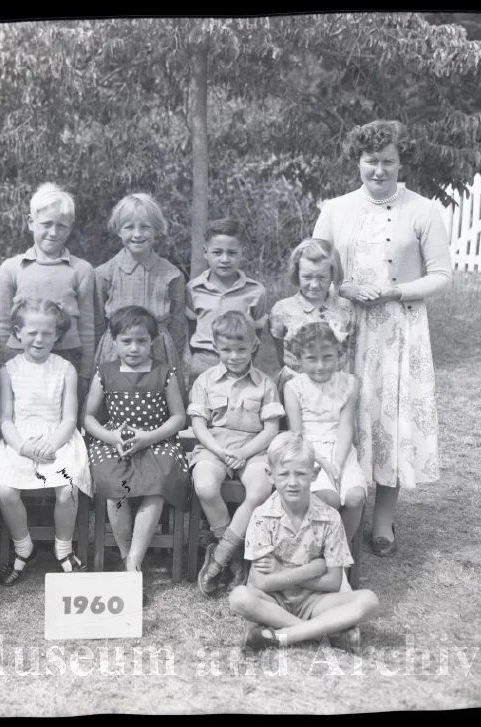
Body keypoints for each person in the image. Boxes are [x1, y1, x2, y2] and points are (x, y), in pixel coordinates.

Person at [313, 119, 451, 556]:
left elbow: (442, 275)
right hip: (345, 327)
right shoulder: (335, 209)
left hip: (399, 328)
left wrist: (395, 291)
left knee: (390, 417)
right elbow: (314, 267)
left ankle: (384, 522)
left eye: (387, 161)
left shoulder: (423, 210)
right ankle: (337, 505)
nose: (378, 170)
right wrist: (343, 287)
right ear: (358, 161)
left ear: (399, 161)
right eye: (371, 161)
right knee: (342, 413)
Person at [229, 432, 379, 652]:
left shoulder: (329, 517)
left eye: (301, 474)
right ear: (270, 475)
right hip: (273, 601)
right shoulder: (262, 517)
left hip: (316, 601)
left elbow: (333, 582)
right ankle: (326, 631)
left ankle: (281, 636)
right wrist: (312, 569)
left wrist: (281, 570)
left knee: (369, 600)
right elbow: (262, 583)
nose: (292, 483)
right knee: (239, 598)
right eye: (284, 475)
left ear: (315, 473)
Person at [84, 306, 190, 575]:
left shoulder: (165, 372)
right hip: (115, 441)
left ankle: (134, 560)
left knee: (157, 486)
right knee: (115, 488)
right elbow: (88, 418)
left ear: (153, 341)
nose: (134, 348)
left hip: (156, 439)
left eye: (141, 341)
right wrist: (110, 436)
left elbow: (178, 417)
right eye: (126, 341)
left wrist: (149, 437)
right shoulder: (104, 373)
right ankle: (123, 552)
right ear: (114, 340)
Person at [0, 298, 93, 583]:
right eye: (32, 332)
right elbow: (5, 419)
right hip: (20, 441)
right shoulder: (8, 370)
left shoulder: (65, 369)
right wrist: (23, 446)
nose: (39, 339)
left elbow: (69, 418)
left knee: (68, 487)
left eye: (47, 334)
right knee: (6, 489)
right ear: (18, 333)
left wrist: (52, 443)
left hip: (58, 439)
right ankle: (24, 547)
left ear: (57, 335)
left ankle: (63, 548)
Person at [189, 311, 285, 596]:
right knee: (205, 486)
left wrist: (244, 452)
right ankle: (234, 561)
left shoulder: (265, 384)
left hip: (253, 449)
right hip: (213, 446)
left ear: (254, 346)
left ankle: (219, 559)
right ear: (216, 347)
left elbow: (270, 430)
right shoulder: (204, 381)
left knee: (259, 490)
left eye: (241, 349)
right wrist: (218, 449)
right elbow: (198, 425)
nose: (234, 356)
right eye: (227, 349)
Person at [0, 183, 96, 404]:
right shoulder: (11, 268)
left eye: (61, 226)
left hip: (68, 356)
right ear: (31, 223)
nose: (53, 232)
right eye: (46, 224)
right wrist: (3, 365)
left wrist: (86, 372)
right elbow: (3, 324)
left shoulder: (81, 269)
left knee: (64, 416)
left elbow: (88, 326)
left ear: (70, 228)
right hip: (20, 356)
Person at [93, 193, 188, 396]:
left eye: (145, 227)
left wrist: (172, 356)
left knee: (159, 406)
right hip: (115, 351)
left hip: (159, 350)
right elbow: (98, 323)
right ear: (119, 231)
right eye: (129, 227)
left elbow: (179, 325)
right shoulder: (104, 273)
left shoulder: (172, 275)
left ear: (156, 230)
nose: (137, 234)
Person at [283, 322, 366, 543]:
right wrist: (324, 463)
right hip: (310, 453)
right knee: (328, 498)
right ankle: (320, 550)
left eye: (328, 357)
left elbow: (346, 425)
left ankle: (339, 552)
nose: (320, 366)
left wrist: (337, 463)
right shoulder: (294, 387)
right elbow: (297, 434)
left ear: (339, 355)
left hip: (341, 449)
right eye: (311, 358)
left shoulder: (349, 383)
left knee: (355, 498)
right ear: (299, 358)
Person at [185, 218, 268, 387]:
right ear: (205, 252)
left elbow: (256, 333)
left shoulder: (255, 291)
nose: (224, 259)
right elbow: (190, 327)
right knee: (199, 409)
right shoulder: (194, 289)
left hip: (238, 361)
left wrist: (245, 357)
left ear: (242, 253)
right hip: (203, 361)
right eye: (217, 252)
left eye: (231, 253)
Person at [268, 238, 355, 392]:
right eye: (307, 277)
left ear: (333, 274)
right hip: (294, 389)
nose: (314, 285)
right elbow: (281, 355)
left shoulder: (345, 308)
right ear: (297, 273)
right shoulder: (282, 309)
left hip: (334, 388)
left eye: (322, 277)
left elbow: (347, 351)